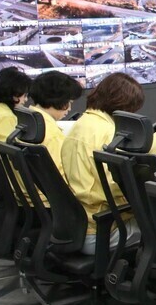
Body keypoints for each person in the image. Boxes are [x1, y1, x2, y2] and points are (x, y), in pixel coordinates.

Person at [62, 72, 144, 255]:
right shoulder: (108, 134)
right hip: (102, 231)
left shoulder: (79, 125)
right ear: (124, 105)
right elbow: (117, 187)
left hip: (77, 226)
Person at [27, 71, 83, 178]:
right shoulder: (51, 135)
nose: (70, 108)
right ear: (58, 100)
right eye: (69, 102)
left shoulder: (28, 120)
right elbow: (59, 175)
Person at [0, 67, 31, 145]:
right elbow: (4, 150)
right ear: (15, 93)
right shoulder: (6, 117)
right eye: (24, 95)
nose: (26, 99)